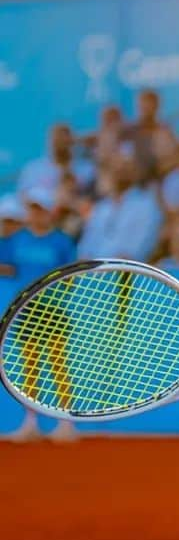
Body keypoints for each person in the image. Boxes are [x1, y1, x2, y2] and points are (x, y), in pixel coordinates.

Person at [0, 189, 78, 443]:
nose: (36, 214)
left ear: (49, 212)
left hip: (53, 311)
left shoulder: (62, 241)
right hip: (25, 310)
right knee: (30, 367)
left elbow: (71, 277)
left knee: (58, 366)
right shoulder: (17, 239)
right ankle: (31, 422)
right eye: (32, 209)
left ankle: (65, 422)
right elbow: (8, 267)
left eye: (40, 209)